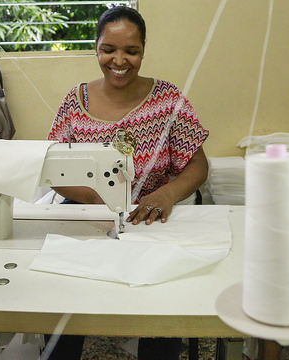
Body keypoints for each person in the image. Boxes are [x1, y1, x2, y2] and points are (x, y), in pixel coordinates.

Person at [44, 5, 209, 360]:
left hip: (153, 216)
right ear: (96, 47)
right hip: (88, 214)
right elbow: (52, 168)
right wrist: (92, 200)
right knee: (65, 303)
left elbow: (197, 166)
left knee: (158, 308)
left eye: (131, 51)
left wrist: (167, 194)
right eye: (109, 49)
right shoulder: (75, 102)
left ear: (144, 50)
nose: (119, 60)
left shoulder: (168, 100)